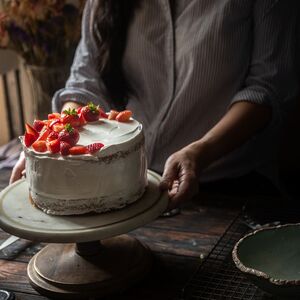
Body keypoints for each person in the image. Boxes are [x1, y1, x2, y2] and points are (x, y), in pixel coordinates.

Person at [10, 0, 299, 209]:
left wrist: (200, 152)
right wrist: (52, 137)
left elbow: (268, 87)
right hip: (122, 189)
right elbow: (86, 83)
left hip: (229, 191)